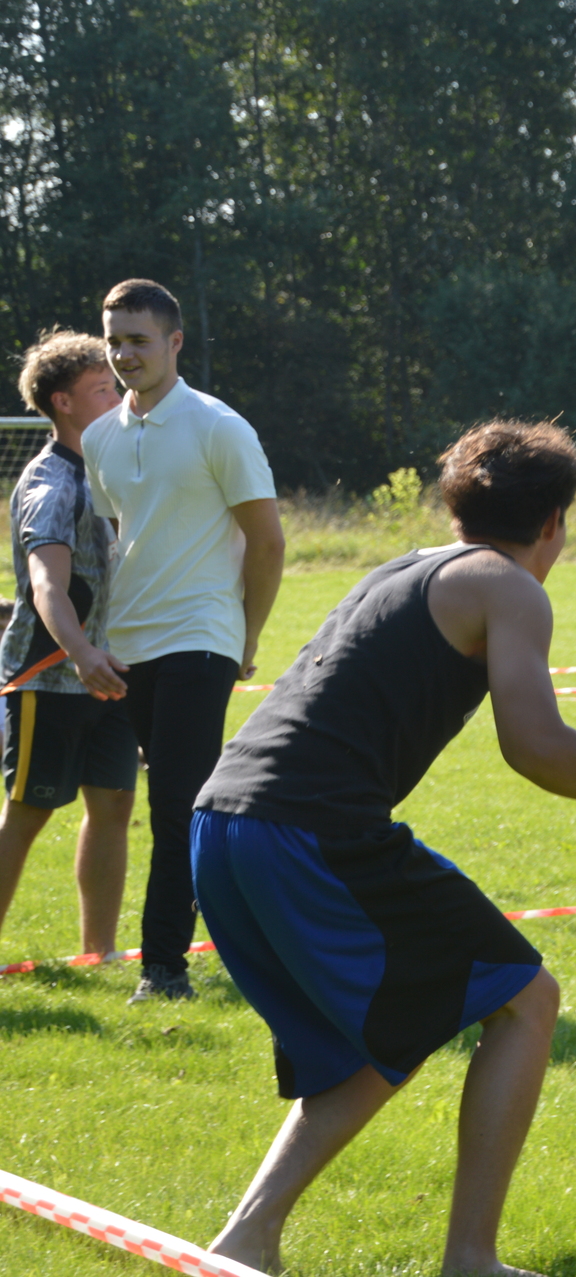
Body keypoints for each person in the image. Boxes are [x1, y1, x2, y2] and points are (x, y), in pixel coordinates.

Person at [191, 421, 576, 1277]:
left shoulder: (402, 567)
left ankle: (248, 1238)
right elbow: (535, 745)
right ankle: (471, 1259)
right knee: (526, 998)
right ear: (554, 521)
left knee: (383, 1032)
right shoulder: (508, 586)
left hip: (222, 823)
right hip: (311, 830)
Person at [83, 278, 286, 1003]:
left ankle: (163, 968)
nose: (124, 354)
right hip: (131, 645)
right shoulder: (99, 437)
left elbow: (267, 542)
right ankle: (263, 929)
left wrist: (245, 636)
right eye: (114, 341)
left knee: (176, 805)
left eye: (138, 340)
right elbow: (123, 536)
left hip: (202, 636)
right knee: (190, 804)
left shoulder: (218, 426)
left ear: (174, 342)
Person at [0, 330, 138, 956]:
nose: (117, 396)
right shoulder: (50, 484)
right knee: (27, 815)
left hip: (112, 674)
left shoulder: (115, 472)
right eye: (102, 389)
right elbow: (46, 587)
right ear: (63, 402)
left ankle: (98, 953)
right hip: (50, 678)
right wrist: (82, 655)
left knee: (113, 808)